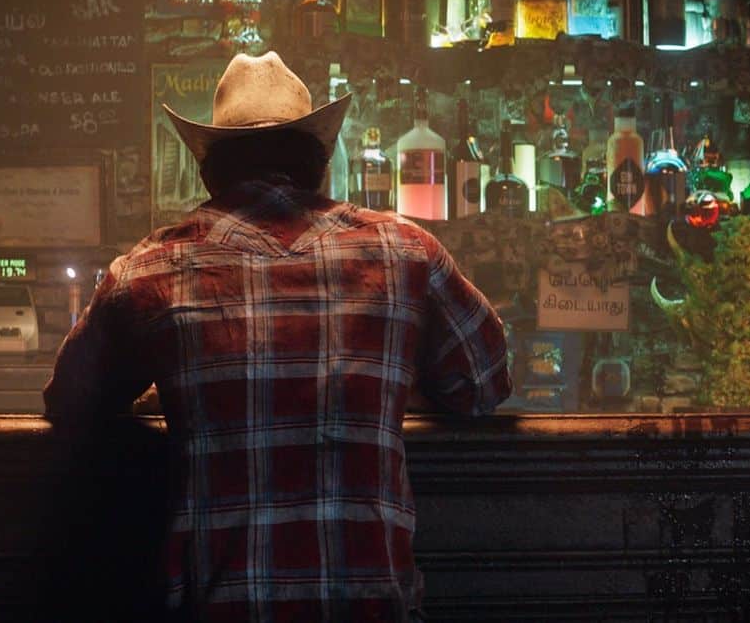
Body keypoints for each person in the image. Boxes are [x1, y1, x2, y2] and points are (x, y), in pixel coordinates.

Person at [44, 51, 511, 622]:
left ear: (209, 171)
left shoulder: (148, 269)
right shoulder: (406, 252)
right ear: (318, 163)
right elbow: (484, 385)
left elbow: (69, 400)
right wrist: (382, 382)